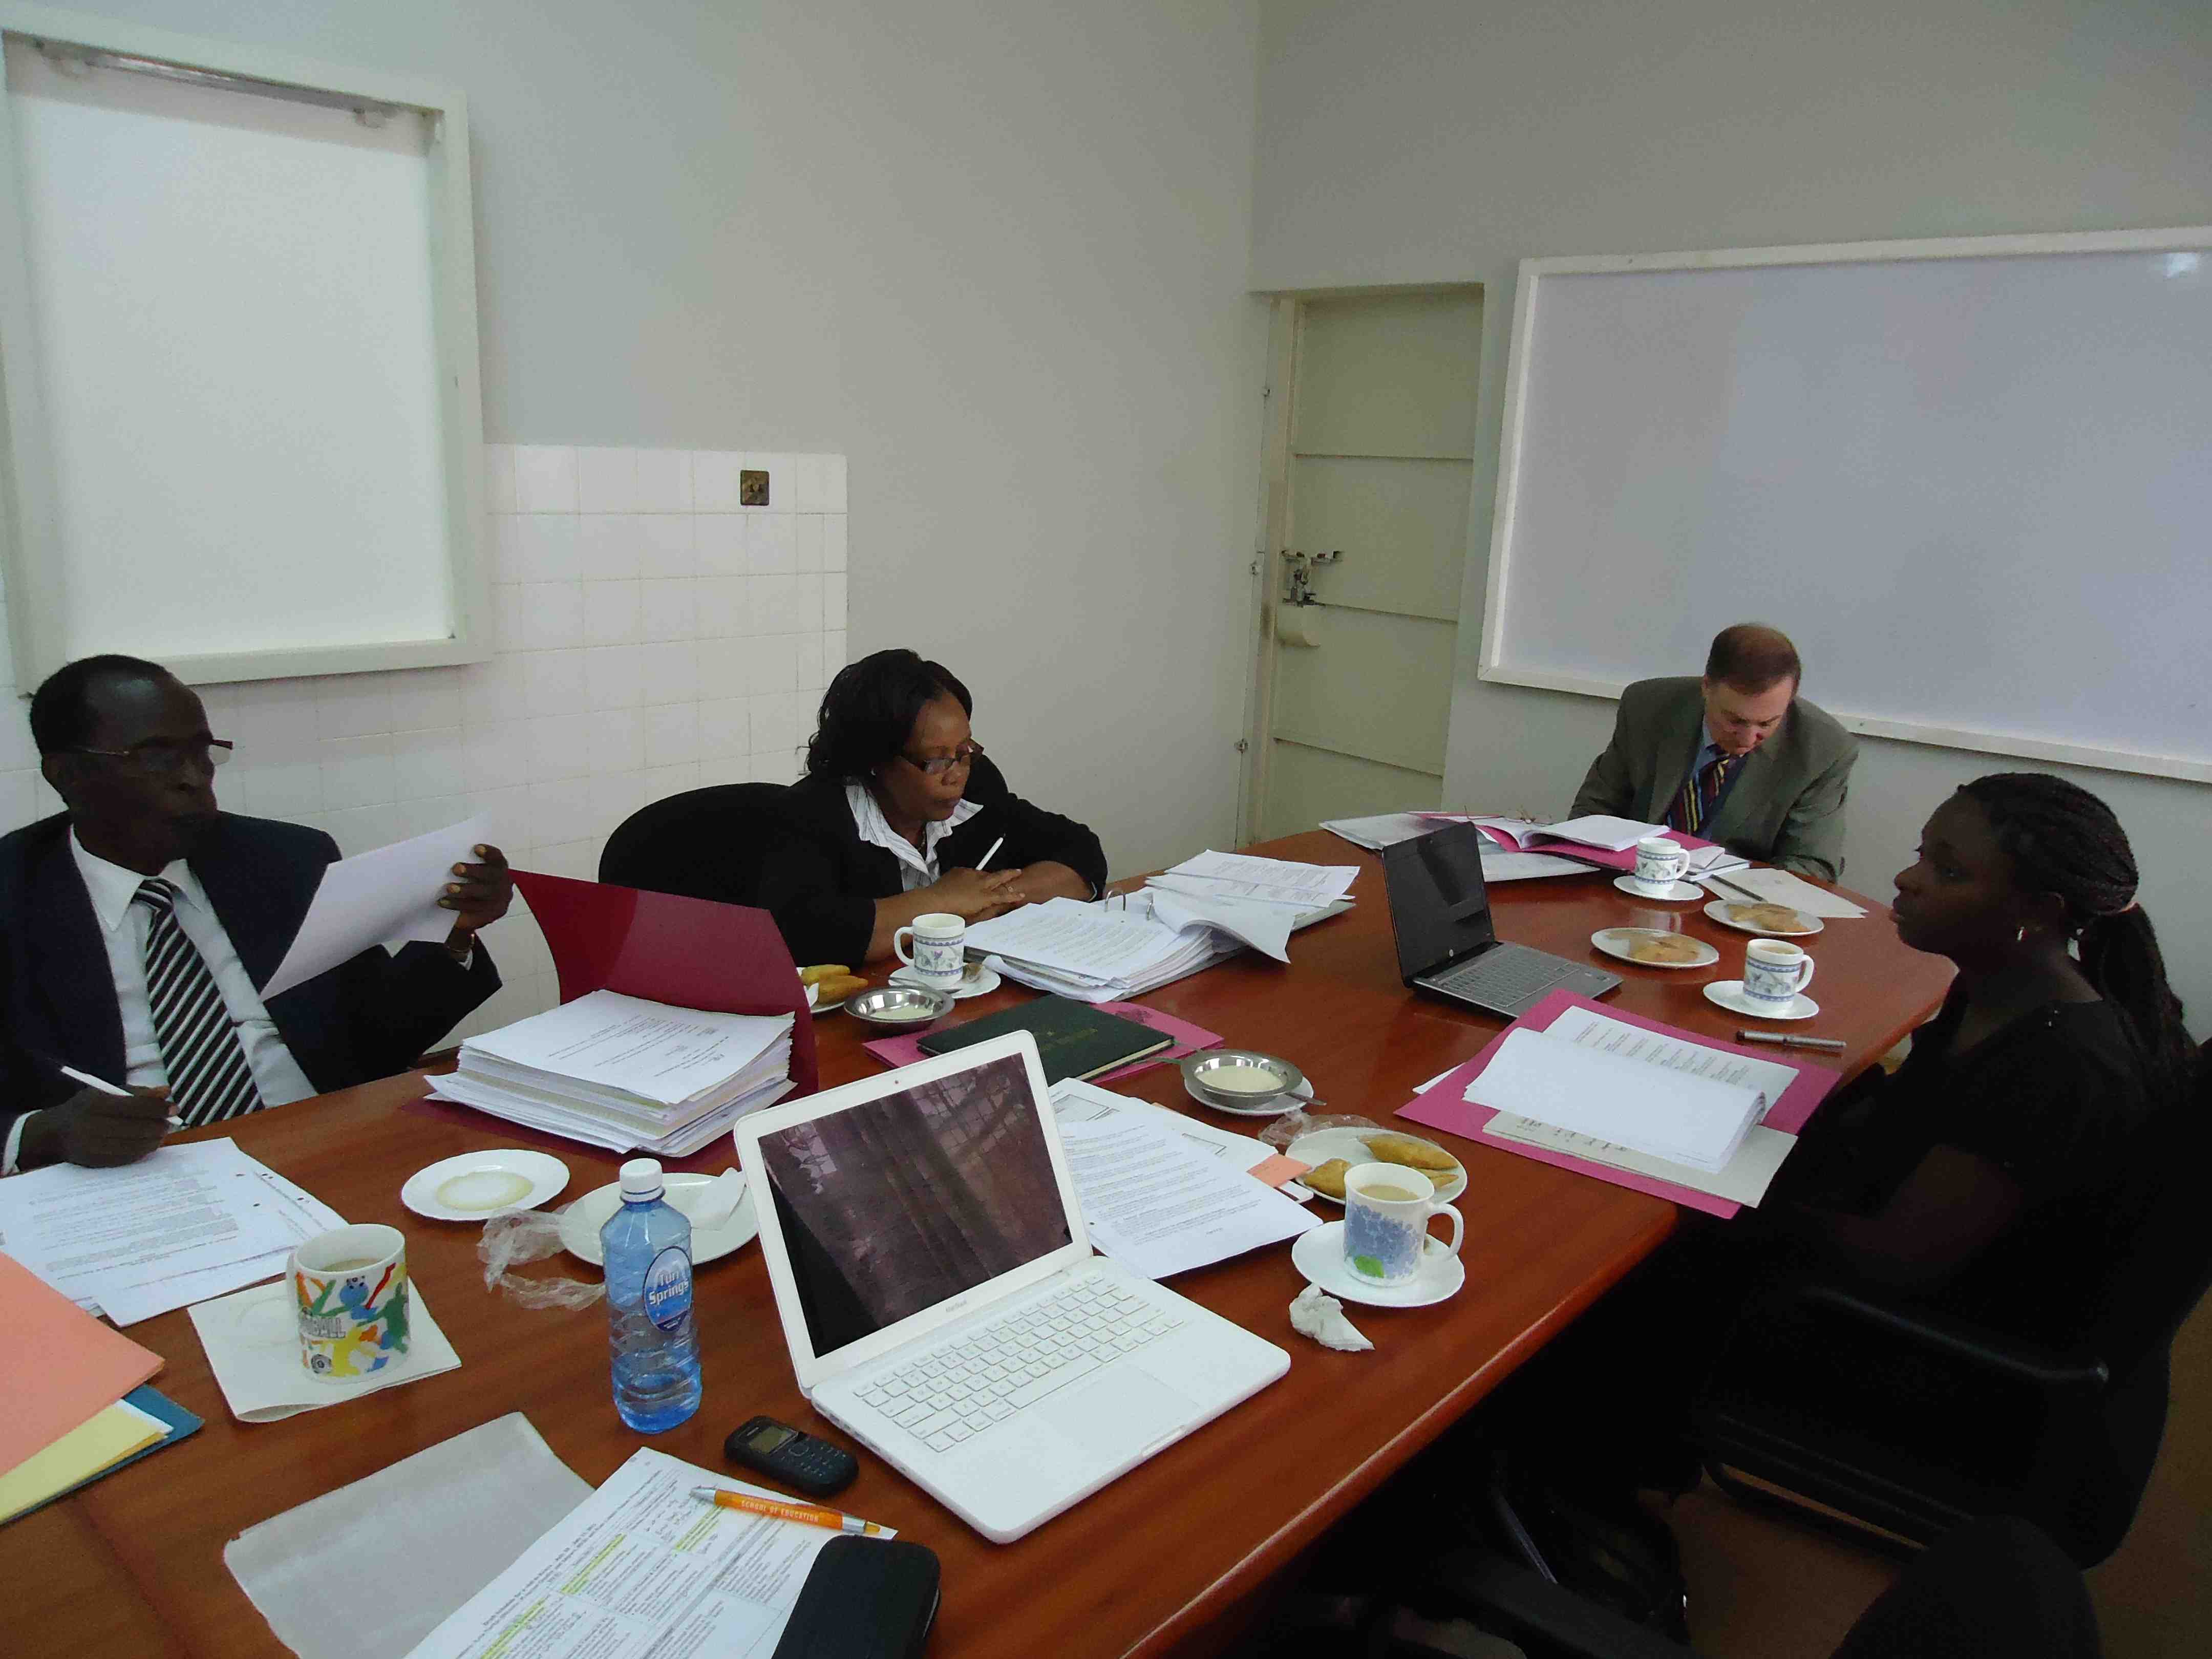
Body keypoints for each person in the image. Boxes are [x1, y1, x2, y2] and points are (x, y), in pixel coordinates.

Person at [1, 656, 511, 1173]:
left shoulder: (286, 860)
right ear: (66, 774)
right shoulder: (13, 892)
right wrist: (42, 1134)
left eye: (203, 753)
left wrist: (454, 935)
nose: (194, 778)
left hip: (320, 1143)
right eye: (156, 757)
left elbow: (377, 1039)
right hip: (134, 1173)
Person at [760, 650, 1107, 966]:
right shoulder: (811, 815)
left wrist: (992, 899)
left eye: (965, 750)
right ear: (876, 761)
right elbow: (806, 937)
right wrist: (942, 902)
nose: (956, 774)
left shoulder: (977, 786)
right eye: (936, 760)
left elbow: (1081, 852)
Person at [1569, 623, 1857, 881]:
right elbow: (1595, 812)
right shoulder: (1648, 707)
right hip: (1629, 881)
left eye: (1767, 724)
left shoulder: (1823, 750)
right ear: (1706, 686)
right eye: (1735, 721)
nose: (1748, 739)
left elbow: (1811, 865)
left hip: (1735, 902)